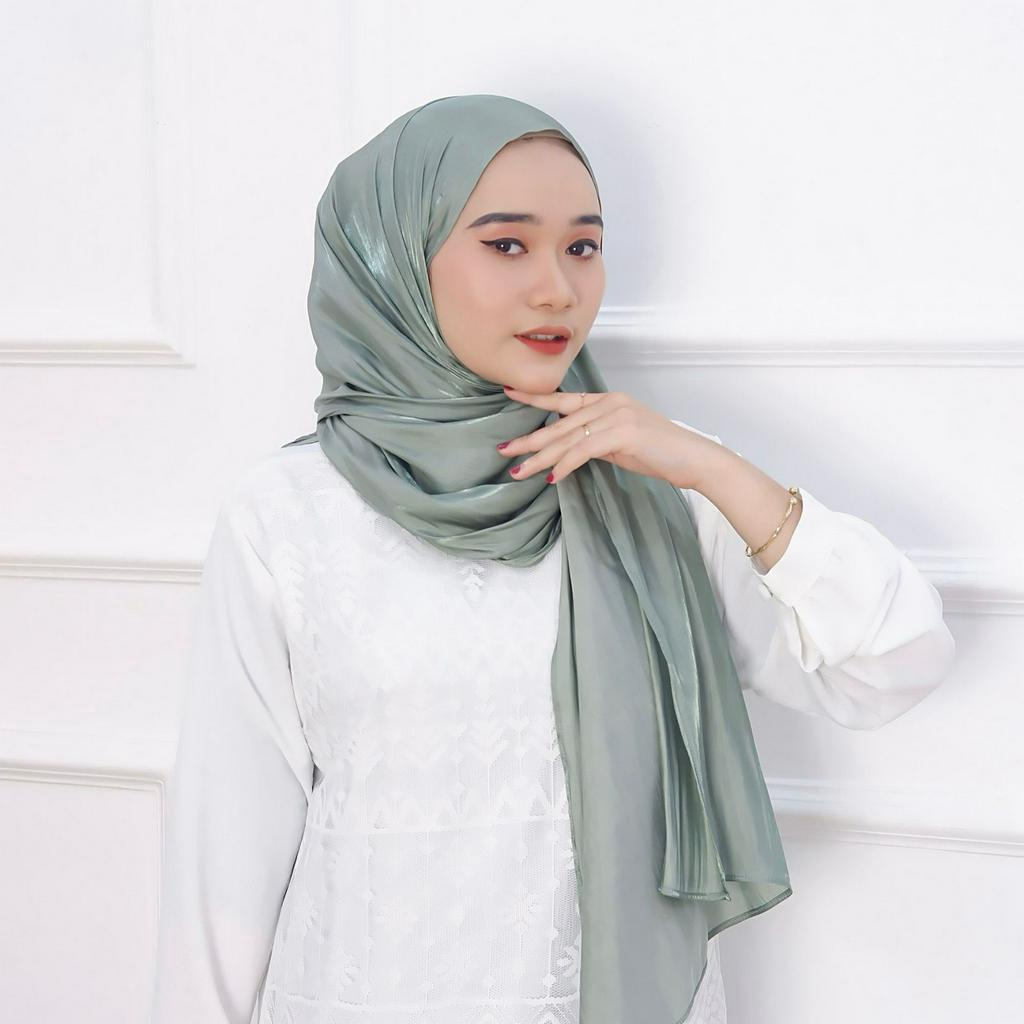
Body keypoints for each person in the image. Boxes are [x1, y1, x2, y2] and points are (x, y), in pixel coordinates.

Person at [148, 95, 955, 1024]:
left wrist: (710, 468)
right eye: (507, 244)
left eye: (582, 246)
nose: (558, 289)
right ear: (392, 259)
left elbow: (893, 663)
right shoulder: (287, 513)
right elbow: (225, 853)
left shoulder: (655, 485)